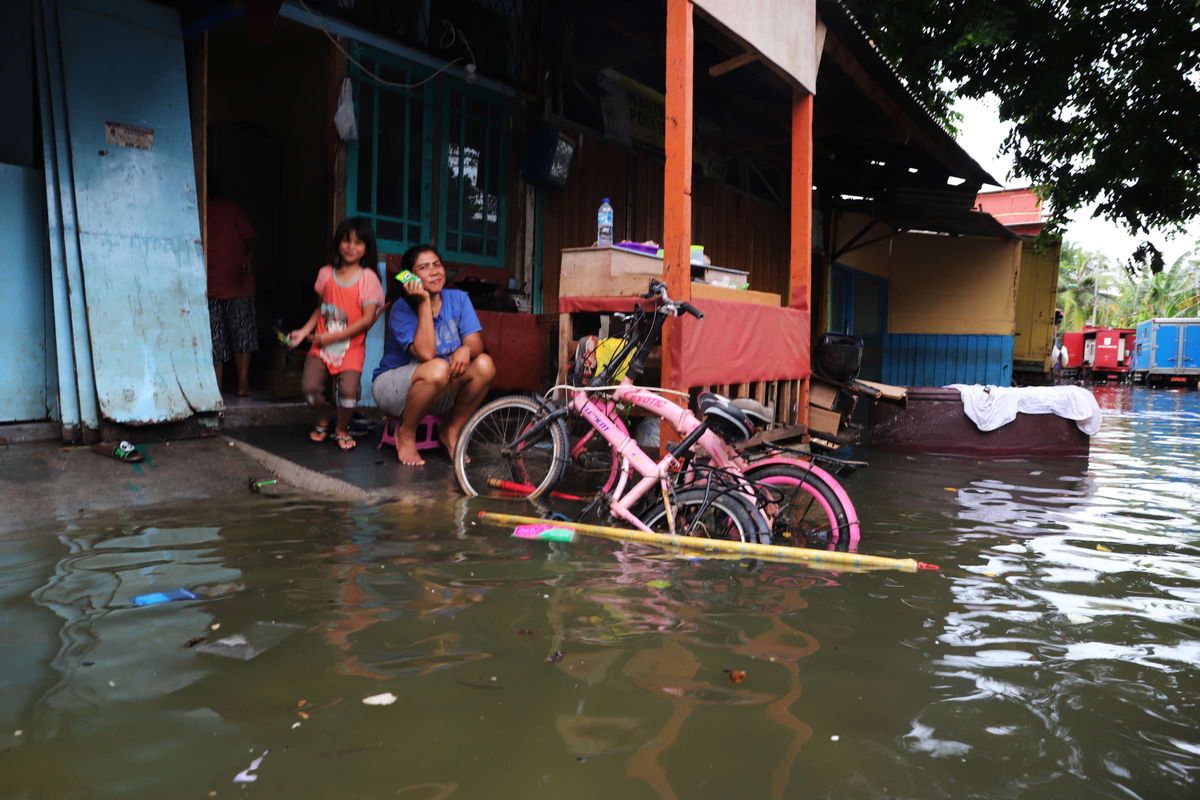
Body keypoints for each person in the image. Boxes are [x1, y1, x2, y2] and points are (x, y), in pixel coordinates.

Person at [372, 245, 495, 466]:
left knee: (485, 364)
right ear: (410, 276)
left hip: (440, 384)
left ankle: (451, 431)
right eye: (424, 267)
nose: (435, 271)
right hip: (393, 386)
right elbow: (427, 354)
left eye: (437, 265)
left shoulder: (458, 299)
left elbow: (476, 342)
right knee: (438, 368)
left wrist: (465, 349)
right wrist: (423, 302)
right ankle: (406, 434)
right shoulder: (401, 309)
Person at [289, 218, 384, 450]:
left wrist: (333, 337)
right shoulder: (325, 274)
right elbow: (321, 309)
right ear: (338, 244)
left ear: (366, 249)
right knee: (310, 390)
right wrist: (303, 331)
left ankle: (341, 427)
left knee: (349, 393)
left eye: (358, 243)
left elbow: (367, 319)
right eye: (346, 241)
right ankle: (324, 416)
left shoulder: (368, 279)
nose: (351, 247)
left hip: (351, 348)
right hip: (321, 345)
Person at [206, 185, 257, 396]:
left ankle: (242, 383)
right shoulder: (196, 210)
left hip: (237, 283)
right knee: (215, 338)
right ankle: (218, 387)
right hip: (210, 284)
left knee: (239, 335)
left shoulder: (230, 208)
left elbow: (251, 238)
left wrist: (248, 258)